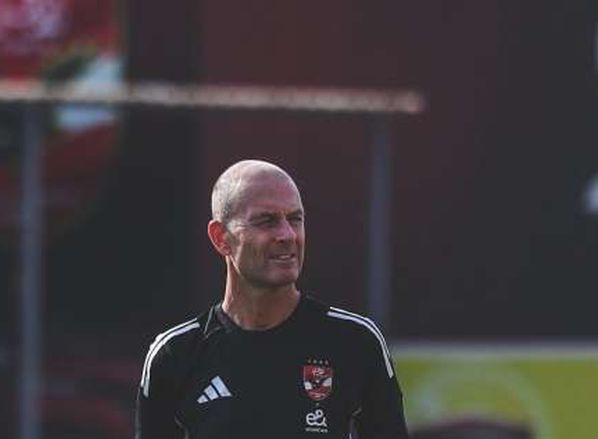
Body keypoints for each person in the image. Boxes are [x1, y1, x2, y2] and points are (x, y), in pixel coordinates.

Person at [135, 160, 409, 438]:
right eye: (267, 221)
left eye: (295, 219)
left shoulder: (355, 342)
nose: (287, 235)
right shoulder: (175, 356)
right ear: (221, 238)